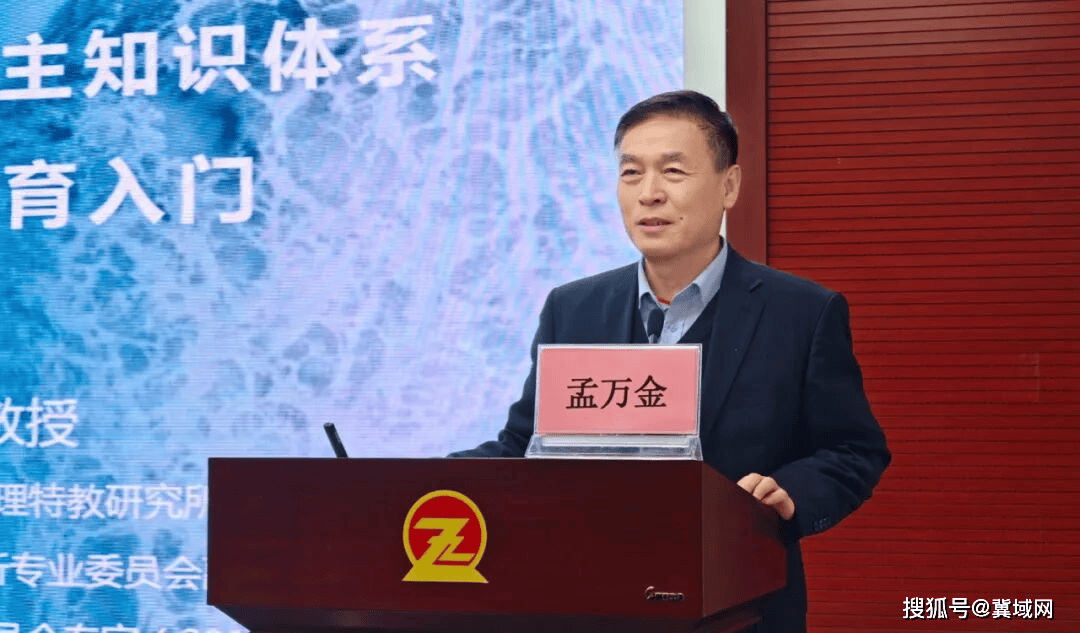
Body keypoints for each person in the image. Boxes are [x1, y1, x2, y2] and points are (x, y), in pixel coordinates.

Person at [449, 90, 890, 633]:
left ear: (729, 186)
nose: (649, 193)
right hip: (589, 606)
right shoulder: (573, 308)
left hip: (740, 608)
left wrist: (791, 492)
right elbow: (526, 444)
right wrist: (425, 478)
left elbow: (853, 451)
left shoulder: (802, 313)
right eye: (631, 173)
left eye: (673, 171)